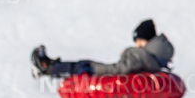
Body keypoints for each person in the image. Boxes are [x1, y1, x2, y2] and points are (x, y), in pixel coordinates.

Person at [31, 19, 174, 78]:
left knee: (82, 65)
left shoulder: (142, 55)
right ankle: (49, 66)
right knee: (85, 64)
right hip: (114, 72)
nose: (137, 45)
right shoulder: (156, 56)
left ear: (145, 40)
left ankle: (46, 67)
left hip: (107, 74)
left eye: (138, 41)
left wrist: (94, 70)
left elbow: (122, 69)